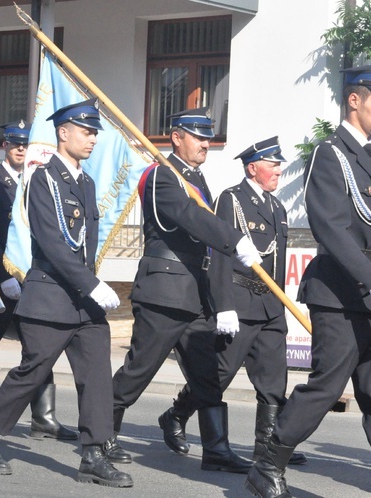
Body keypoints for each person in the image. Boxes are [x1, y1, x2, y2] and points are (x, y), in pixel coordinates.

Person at [245, 65, 371, 498]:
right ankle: (267, 464)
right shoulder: (330, 154)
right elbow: (329, 226)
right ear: (355, 99)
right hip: (340, 291)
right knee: (327, 385)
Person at [0, 98, 133, 488]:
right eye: (86, 132)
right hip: (50, 295)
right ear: (63, 132)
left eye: (94, 133)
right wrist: (91, 283)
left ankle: (93, 454)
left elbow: (83, 244)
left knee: (96, 375)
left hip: (83, 303)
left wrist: (89, 286)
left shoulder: (86, 183)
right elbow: (53, 243)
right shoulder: (42, 179)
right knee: (33, 371)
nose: (92, 139)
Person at [109, 107, 263, 473]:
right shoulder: (164, 176)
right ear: (177, 137)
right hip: (166, 289)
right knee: (140, 369)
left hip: (195, 293)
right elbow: (188, 216)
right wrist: (233, 239)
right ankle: (102, 435)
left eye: (209, 137)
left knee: (207, 375)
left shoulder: (194, 179)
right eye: (199, 136)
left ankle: (216, 449)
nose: (206, 143)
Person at [157, 137, 305, 466]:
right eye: (273, 165)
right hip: (239, 302)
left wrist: (280, 308)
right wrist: (223, 305)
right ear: (254, 168)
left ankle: (267, 444)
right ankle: (175, 415)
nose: (279, 170)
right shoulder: (232, 200)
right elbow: (221, 254)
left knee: (273, 378)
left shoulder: (277, 207)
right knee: (218, 375)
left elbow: (276, 263)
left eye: (280, 165)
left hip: (270, 307)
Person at [0, 119, 76, 440]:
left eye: (25, 144)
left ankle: (43, 417)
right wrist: (2, 277)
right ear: (5, 145)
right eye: (15, 143)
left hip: (32, 283)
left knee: (39, 348)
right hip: (0, 284)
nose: (20, 148)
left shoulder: (35, 182)